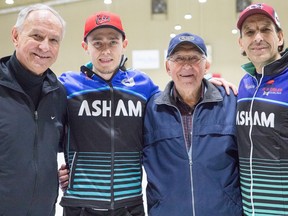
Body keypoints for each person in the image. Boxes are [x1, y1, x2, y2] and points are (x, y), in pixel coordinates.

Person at [58, 11, 159, 216]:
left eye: (113, 42)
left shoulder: (143, 85)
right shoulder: (67, 85)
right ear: (85, 46)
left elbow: (177, 102)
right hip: (80, 205)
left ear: (124, 44)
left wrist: (211, 85)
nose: (106, 50)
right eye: (97, 43)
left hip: (129, 204)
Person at [142, 32, 243, 215]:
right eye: (179, 58)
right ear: (168, 67)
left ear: (206, 66)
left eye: (195, 58)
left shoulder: (231, 103)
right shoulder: (150, 109)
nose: (187, 65)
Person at [0, 4, 67, 216]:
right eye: (36, 36)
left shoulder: (59, 94)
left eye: (53, 40)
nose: (45, 47)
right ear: (16, 36)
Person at [236, 3, 288, 216]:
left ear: (280, 38)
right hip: (251, 210)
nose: (257, 37)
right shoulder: (244, 84)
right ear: (241, 43)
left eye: (265, 29)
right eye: (250, 32)